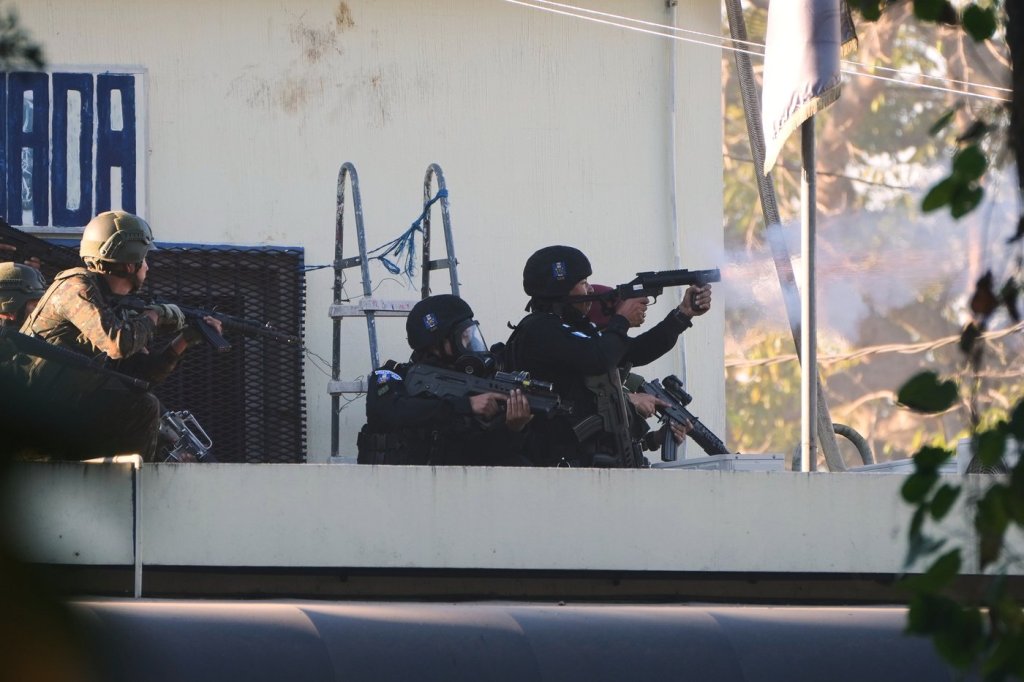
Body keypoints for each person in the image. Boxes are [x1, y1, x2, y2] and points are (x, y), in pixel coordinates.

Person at [11, 210, 221, 461]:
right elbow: (117, 343)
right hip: (26, 418)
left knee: (143, 405)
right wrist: (155, 315)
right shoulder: (75, 287)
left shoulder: (112, 306)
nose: (147, 266)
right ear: (130, 264)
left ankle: (126, 482)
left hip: (62, 415)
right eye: (144, 259)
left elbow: (141, 374)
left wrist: (183, 340)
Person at [504, 245, 712, 468]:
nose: (590, 290)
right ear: (562, 290)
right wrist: (621, 320)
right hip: (558, 467)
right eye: (583, 282)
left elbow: (635, 352)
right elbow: (598, 359)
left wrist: (682, 315)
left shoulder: (573, 329)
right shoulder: (540, 330)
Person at [356, 294, 533, 466]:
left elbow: (483, 455)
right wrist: (466, 405)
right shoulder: (390, 376)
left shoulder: (470, 387)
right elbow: (392, 410)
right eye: (463, 336)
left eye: (471, 333)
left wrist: (513, 429)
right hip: (389, 484)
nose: (470, 340)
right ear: (437, 344)